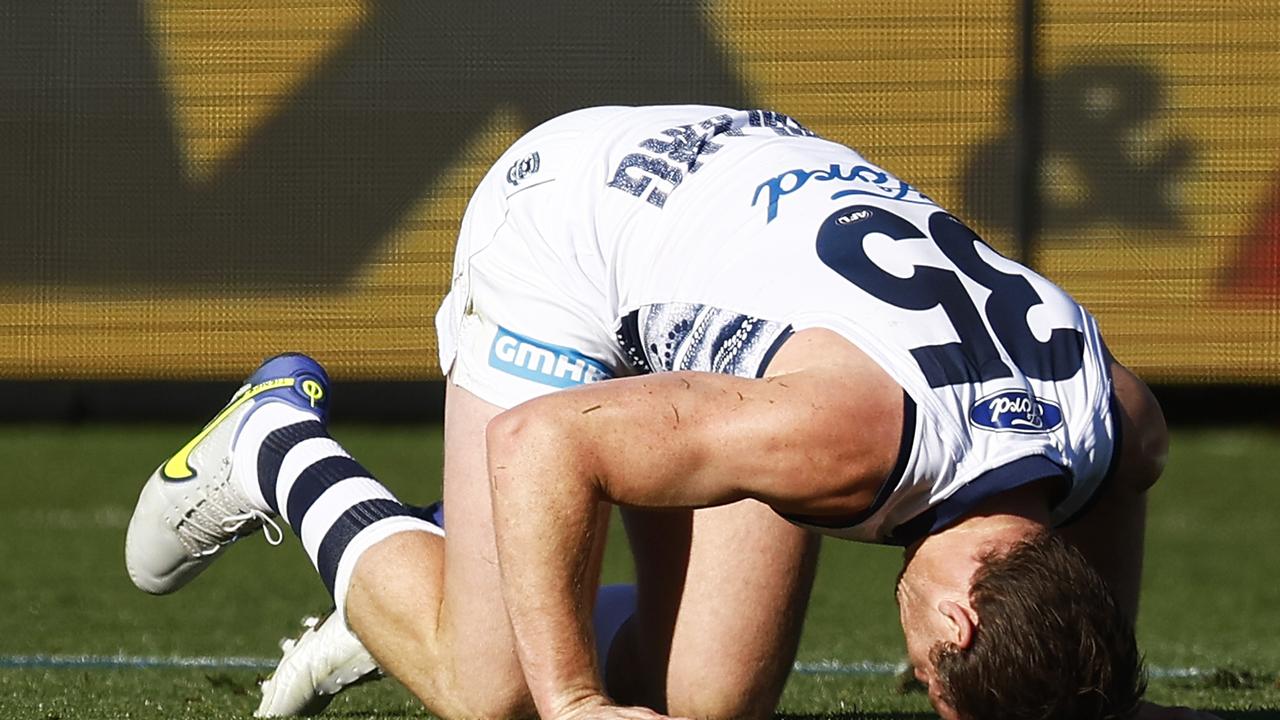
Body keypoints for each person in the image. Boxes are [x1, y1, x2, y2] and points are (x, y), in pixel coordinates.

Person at [126, 105, 1211, 720]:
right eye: (933, 680)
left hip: (748, 233)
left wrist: (1093, 680)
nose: (919, 678)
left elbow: (1125, 483)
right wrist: (572, 709)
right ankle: (277, 443)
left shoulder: (1110, 425)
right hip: (575, 221)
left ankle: (462, 567)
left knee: (709, 703)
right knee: (491, 687)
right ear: (957, 620)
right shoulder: (832, 443)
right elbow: (543, 441)